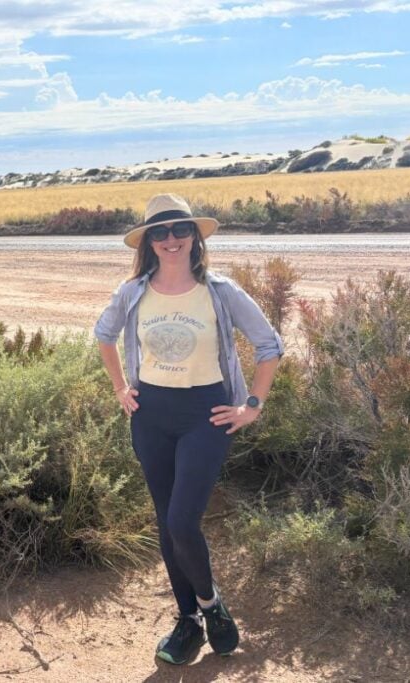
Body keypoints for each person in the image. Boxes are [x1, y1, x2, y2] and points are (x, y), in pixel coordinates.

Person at [94, 193, 283, 665]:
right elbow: (103, 335)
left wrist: (252, 405)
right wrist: (122, 389)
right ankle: (188, 621)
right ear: (149, 242)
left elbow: (268, 344)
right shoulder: (133, 290)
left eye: (181, 230)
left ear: (195, 238)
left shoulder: (220, 290)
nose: (171, 239)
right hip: (151, 413)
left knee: (182, 520)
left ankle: (210, 604)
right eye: (160, 232)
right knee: (166, 520)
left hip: (206, 411)